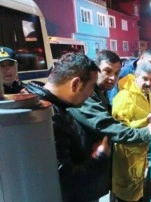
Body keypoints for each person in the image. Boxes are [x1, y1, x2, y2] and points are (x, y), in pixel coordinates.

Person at [65, 50, 151, 200]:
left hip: (96, 167)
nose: (112, 78)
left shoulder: (99, 93)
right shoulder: (87, 96)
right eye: (107, 71)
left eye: (116, 73)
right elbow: (110, 126)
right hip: (86, 170)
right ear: (95, 71)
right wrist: (146, 132)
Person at [24, 52, 111, 202]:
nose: (91, 94)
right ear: (75, 83)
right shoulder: (49, 117)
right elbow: (66, 179)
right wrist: (99, 156)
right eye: (91, 87)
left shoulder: (51, 107)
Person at [111, 62, 151, 202]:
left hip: (139, 152)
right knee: (125, 194)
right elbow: (119, 129)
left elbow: (142, 112)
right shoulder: (125, 97)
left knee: (135, 190)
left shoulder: (146, 93)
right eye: (144, 78)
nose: (148, 83)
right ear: (136, 76)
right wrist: (145, 121)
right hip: (126, 156)